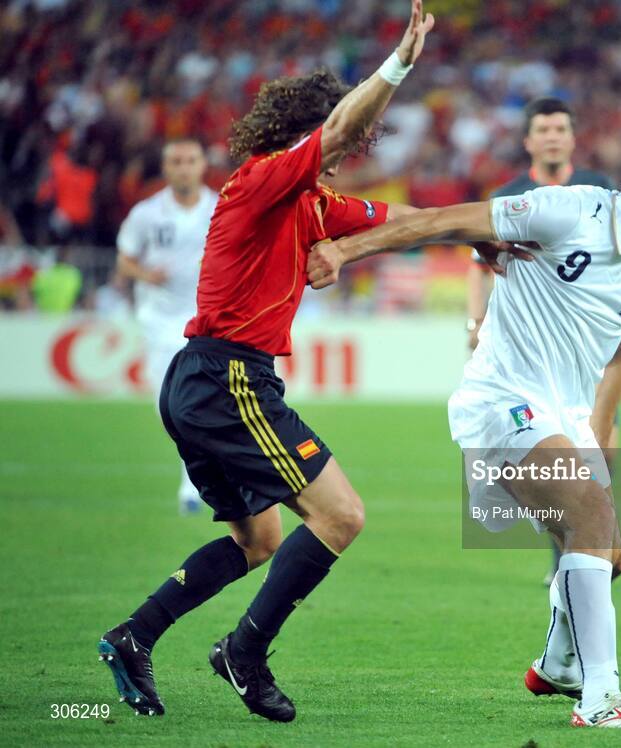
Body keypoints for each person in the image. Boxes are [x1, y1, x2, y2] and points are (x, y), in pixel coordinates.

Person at [309, 125, 621, 729]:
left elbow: (620, 351)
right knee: (586, 513)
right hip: (501, 401)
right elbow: (443, 221)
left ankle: (559, 665)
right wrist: (345, 251)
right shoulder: (568, 211)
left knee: (609, 557)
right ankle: (600, 697)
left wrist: (601, 429)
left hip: (565, 415)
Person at [97, 0, 434, 722]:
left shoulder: (309, 202)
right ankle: (242, 654)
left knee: (260, 539)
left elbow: (401, 222)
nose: (353, 147)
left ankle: (135, 635)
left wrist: (488, 234)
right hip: (229, 379)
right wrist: (399, 63)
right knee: (340, 515)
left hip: (202, 380)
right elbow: (341, 126)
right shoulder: (261, 180)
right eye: (344, 136)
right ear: (307, 130)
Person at [467, 97, 616, 585]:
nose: (552, 136)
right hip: (528, 359)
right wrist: (475, 324)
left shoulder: (600, 190)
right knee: (559, 464)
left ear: (573, 137)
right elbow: (478, 266)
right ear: (529, 141)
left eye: (560, 128)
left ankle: (574, 555)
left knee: (602, 451)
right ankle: (571, 560)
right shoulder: (510, 194)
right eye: (543, 129)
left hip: (583, 357)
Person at [116, 137, 218, 514]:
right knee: (170, 408)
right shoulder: (147, 214)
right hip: (159, 320)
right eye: (176, 161)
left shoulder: (220, 208)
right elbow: (124, 260)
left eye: (191, 160)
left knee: (210, 401)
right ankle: (194, 474)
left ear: (203, 164)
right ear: (166, 168)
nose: (184, 167)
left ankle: (194, 484)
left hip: (207, 319)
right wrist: (145, 273)